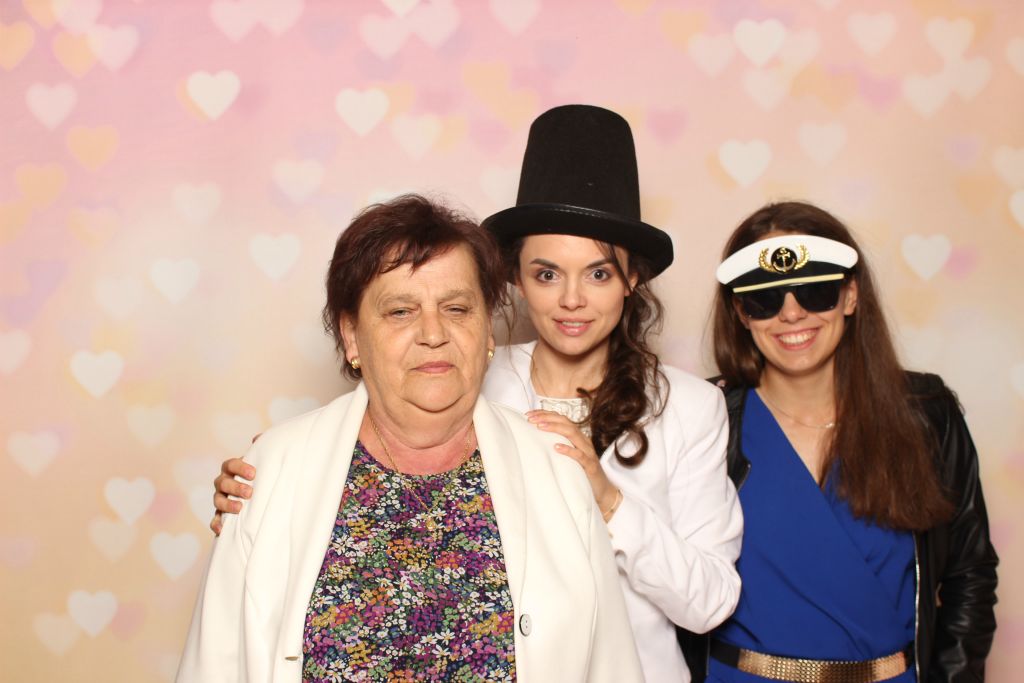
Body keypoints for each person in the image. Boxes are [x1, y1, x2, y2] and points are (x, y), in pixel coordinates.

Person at [212, 105, 743, 682]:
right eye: (546, 273)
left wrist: (609, 501)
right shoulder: (463, 373)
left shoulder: (690, 407)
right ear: (514, 279)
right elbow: (377, 414)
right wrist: (279, 481)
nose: (571, 299)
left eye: (598, 273)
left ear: (632, 278)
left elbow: (711, 602)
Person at [178, 194, 643, 682]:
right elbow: (214, 666)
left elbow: (611, 669)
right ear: (352, 336)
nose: (433, 333)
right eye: (400, 311)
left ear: (487, 330)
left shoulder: (557, 468)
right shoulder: (272, 469)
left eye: (457, 308)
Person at [681, 201, 998, 682]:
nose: (791, 313)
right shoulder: (702, 419)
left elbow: (968, 576)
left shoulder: (926, 414)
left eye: (815, 290)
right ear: (742, 313)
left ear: (850, 296)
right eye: (765, 298)